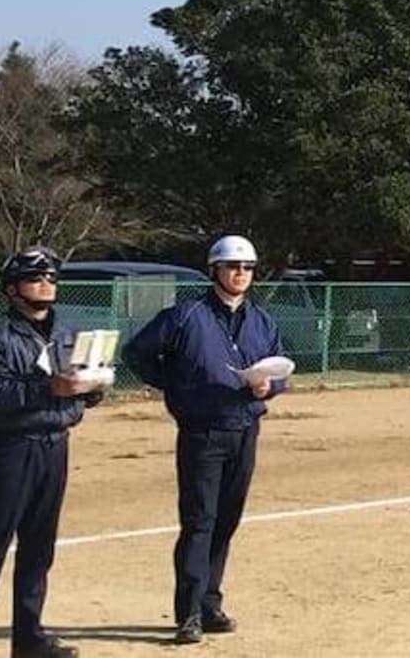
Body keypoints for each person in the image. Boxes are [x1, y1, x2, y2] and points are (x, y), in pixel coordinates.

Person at [121, 235, 289, 645]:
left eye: (247, 268)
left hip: (245, 429)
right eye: (233, 266)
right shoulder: (184, 315)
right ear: (214, 270)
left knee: (227, 520)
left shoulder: (262, 321)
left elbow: (280, 369)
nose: (240, 274)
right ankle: (189, 612)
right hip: (202, 432)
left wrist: (270, 387)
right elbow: (136, 353)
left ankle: (211, 603)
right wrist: (176, 386)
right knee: (199, 522)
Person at [0, 246, 104, 658]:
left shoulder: (67, 331)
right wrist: (47, 388)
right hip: (12, 448)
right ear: (12, 290)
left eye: (51, 278)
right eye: (36, 278)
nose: (46, 284)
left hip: (55, 445)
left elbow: (83, 393)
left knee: (40, 544)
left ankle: (29, 635)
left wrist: (92, 389)